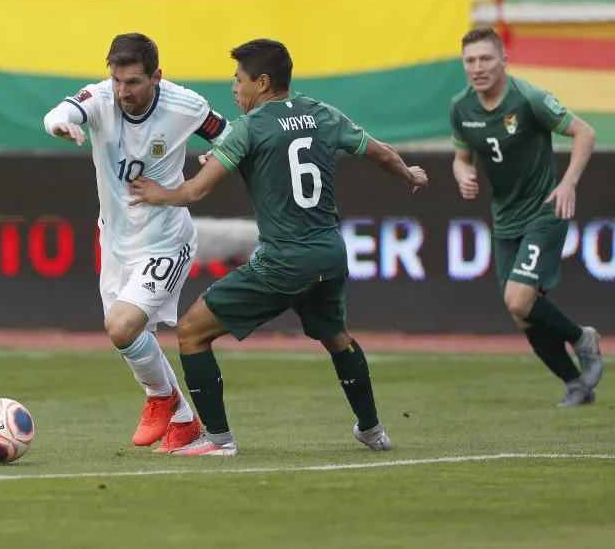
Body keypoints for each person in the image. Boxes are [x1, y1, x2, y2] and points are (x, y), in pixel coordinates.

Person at [129, 38, 428, 456]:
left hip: (284, 261)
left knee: (193, 331)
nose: (234, 89)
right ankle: (372, 430)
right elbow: (379, 153)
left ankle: (218, 440)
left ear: (263, 82)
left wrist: (157, 192)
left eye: (239, 80)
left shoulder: (249, 128)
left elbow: (195, 192)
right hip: (328, 253)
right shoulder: (323, 114)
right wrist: (410, 175)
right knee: (337, 337)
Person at [43, 33, 231, 452]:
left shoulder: (185, 105)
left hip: (167, 240)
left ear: (156, 77)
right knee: (127, 335)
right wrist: (61, 124)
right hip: (115, 242)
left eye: (132, 82)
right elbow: (61, 111)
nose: (122, 91)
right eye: (116, 80)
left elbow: (233, 139)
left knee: (122, 326)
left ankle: (160, 398)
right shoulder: (100, 98)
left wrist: (215, 162)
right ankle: (183, 422)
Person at [450, 27, 602, 407]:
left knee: (518, 300)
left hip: (544, 210)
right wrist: (462, 174)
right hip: (505, 218)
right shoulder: (461, 108)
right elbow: (461, 157)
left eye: (486, 59)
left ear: (503, 60)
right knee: (522, 315)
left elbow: (585, 133)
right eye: (470, 60)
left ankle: (584, 339)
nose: (477, 67)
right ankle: (575, 385)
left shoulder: (529, 98)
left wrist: (568, 184)